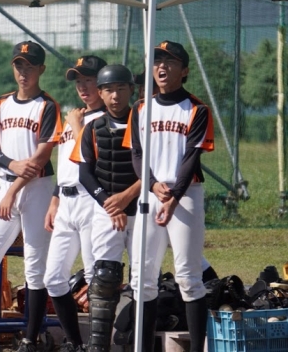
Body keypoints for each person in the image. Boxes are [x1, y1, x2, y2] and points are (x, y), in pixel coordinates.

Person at [124, 41, 214, 352]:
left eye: (170, 61)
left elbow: (191, 157)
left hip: (185, 195)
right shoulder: (140, 108)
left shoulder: (197, 109)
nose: (162, 66)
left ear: (184, 70)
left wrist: (174, 196)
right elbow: (137, 153)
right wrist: (151, 184)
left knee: (188, 276)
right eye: (157, 61)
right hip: (152, 195)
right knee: (142, 278)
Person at [0, 41, 61, 352]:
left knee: (35, 268)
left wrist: (11, 191)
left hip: (37, 189)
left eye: (30, 66)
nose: (24, 71)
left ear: (41, 69)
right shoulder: (0, 104)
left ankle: (30, 340)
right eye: (19, 65)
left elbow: (39, 160)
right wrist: (9, 167)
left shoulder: (47, 106)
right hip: (6, 184)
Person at [70, 64, 140, 352]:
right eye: (109, 90)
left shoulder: (143, 123)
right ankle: (98, 346)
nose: (115, 95)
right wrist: (110, 204)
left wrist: (126, 198)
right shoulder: (92, 129)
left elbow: (152, 168)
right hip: (107, 209)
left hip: (141, 208)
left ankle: (138, 341)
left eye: (121, 88)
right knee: (104, 276)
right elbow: (85, 174)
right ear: (100, 93)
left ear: (131, 90)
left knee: (143, 279)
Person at [42, 55, 107, 352]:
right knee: (54, 278)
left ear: (102, 84)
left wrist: (77, 126)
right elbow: (67, 164)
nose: (82, 86)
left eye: (88, 80)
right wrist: (55, 199)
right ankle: (76, 343)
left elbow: (94, 160)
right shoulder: (75, 116)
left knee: (96, 278)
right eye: (78, 81)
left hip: (91, 201)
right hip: (66, 203)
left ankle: (97, 344)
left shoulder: (108, 118)